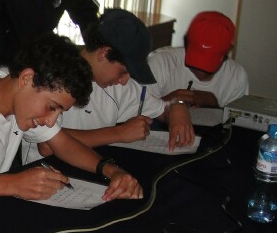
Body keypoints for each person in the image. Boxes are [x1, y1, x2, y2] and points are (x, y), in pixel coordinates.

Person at [0, 34, 142, 202]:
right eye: (52, 107)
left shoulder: (10, 88)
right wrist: (13, 183)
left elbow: (61, 143)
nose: (51, 120)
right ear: (27, 79)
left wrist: (111, 171)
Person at [23, 9, 194, 162]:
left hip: (96, 168)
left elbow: (161, 109)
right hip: (45, 174)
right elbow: (47, 145)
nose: (125, 80)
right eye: (123, 71)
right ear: (104, 53)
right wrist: (119, 133)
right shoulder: (53, 73)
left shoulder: (116, 86)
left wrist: (177, 107)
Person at [145, 11, 249, 108]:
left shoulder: (236, 77)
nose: (201, 71)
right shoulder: (160, 63)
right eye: (197, 58)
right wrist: (166, 103)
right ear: (185, 42)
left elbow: (236, 124)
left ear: (227, 52)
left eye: (210, 61)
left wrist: (215, 105)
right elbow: (136, 110)